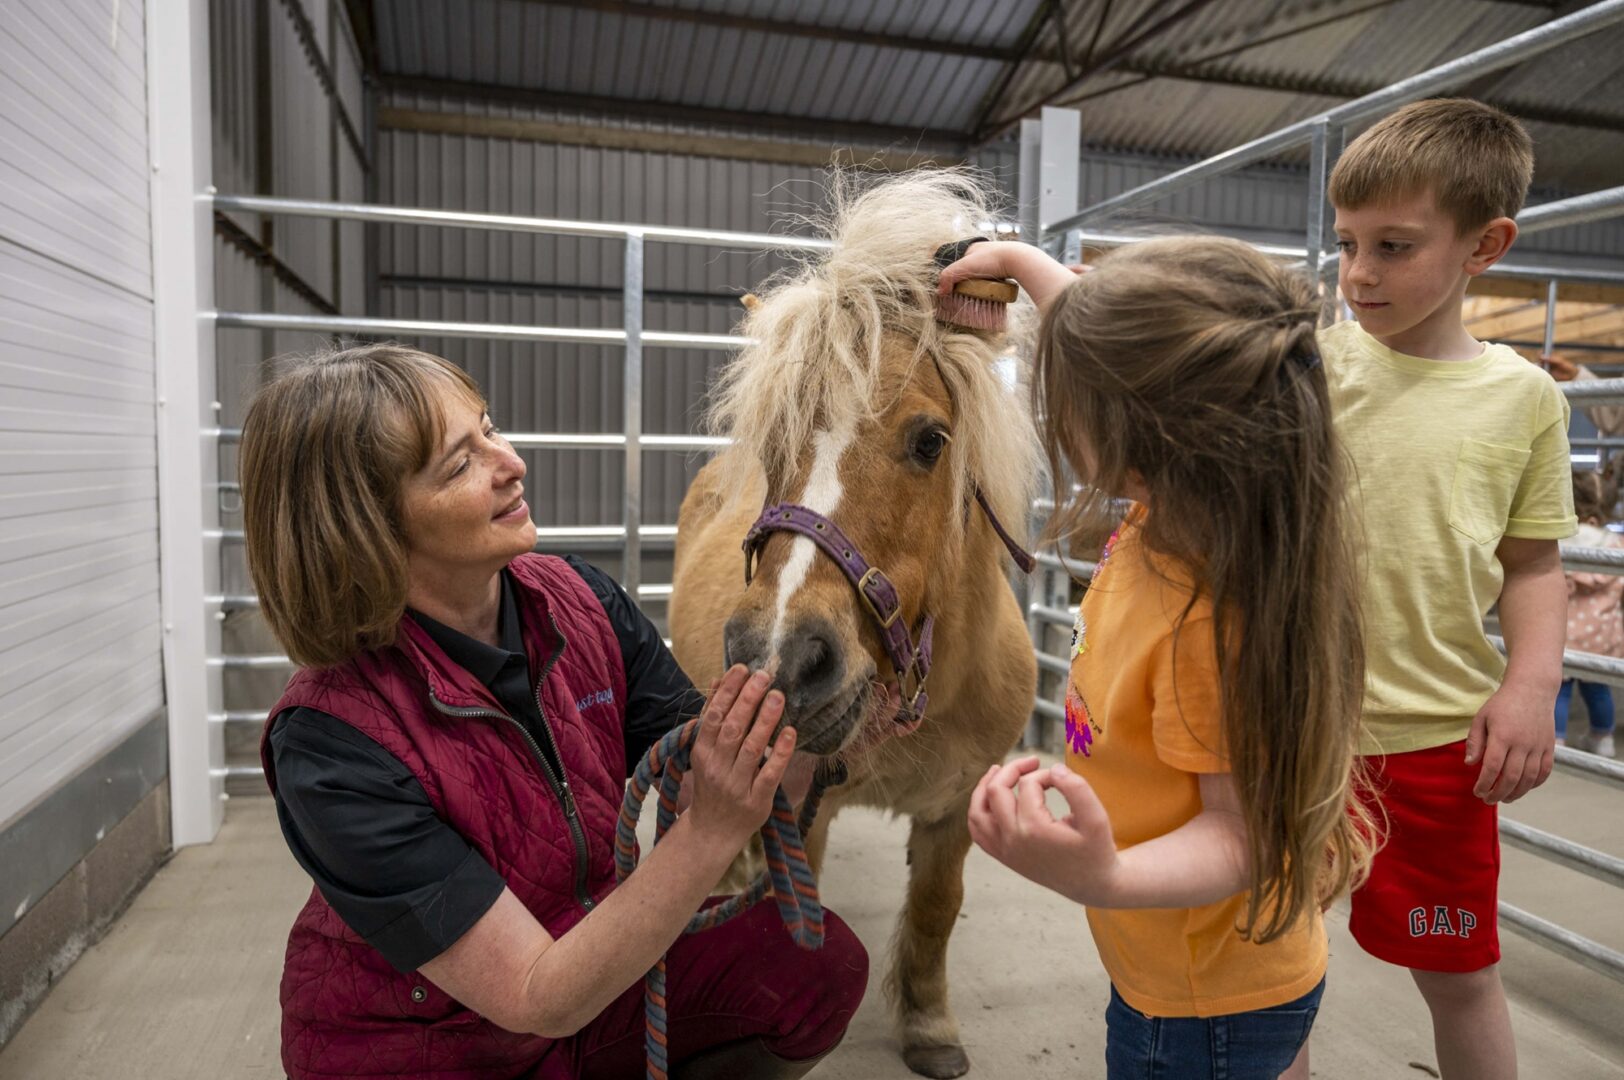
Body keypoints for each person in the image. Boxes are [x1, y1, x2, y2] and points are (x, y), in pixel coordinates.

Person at [240, 344, 867, 1080]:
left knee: (812, 962)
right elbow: (536, 994)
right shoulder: (331, 742)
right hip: (432, 1046)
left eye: (490, 428)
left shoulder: (580, 601)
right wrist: (711, 835)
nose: (512, 462)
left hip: (586, 961)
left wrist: (830, 722)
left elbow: (713, 775)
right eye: (460, 465)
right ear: (367, 531)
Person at [938, 235, 1372, 1079]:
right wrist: (1020, 261)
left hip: (1199, 1004)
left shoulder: (1209, 617)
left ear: (1145, 430)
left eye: (1073, 395)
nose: (1054, 410)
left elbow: (1241, 832)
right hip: (1198, 967)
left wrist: (1104, 874)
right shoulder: (1175, 499)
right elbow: (1106, 337)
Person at [1320, 99, 1575, 1079]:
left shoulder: (1523, 399)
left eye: (1392, 245)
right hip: (1290, 725)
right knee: (1256, 958)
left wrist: (1530, 684)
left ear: (1484, 245)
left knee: (1459, 971)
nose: (1357, 274)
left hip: (1431, 741)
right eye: (1345, 244)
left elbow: (1533, 564)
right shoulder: (1307, 364)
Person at [1558, 470, 1620, 757]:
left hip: (1564, 631)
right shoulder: (1613, 544)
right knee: (1598, 689)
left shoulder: (1561, 541)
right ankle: (1602, 738)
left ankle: (1556, 741)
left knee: (1560, 690)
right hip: (1601, 633)